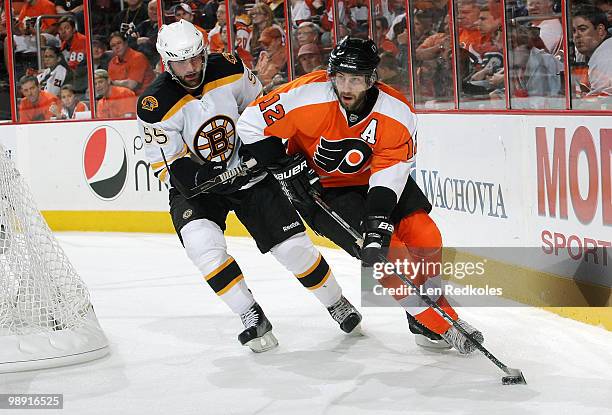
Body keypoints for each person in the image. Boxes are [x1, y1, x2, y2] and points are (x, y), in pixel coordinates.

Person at [237, 37, 484, 354]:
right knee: (391, 258)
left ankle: (427, 314)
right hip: (322, 190)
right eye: (340, 77)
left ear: (371, 79)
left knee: (426, 235)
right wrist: (285, 163)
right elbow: (250, 124)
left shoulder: (396, 113)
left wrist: (378, 219)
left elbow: (390, 170)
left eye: (355, 78)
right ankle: (442, 323)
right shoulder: (306, 95)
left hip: (374, 180)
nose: (346, 86)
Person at [136, 20, 361, 353]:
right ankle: (250, 315)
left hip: (251, 176)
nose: (191, 69)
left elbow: (263, 111)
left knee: (294, 249)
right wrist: (200, 178)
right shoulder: (153, 105)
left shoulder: (228, 68)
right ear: (166, 63)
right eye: (181, 63)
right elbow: (168, 164)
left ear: (204, 52)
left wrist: (261, 151)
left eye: (196, 59)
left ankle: (336, 302)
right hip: (200, 190)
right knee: (203, 248)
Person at [572, 4, 612, 97]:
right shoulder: (585, 52)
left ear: (600, 30)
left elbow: (602, 104)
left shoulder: (606, 56)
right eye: (574, 31)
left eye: (582, 29)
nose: (576, 35)